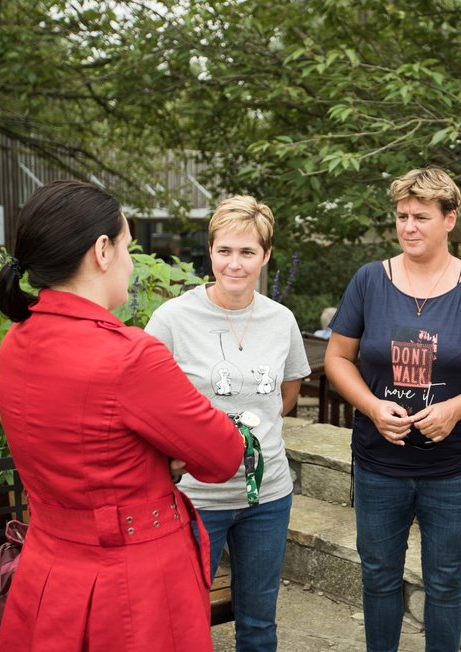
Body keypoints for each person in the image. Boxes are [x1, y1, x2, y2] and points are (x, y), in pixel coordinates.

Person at [0, 180, 245, 651]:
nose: (130, 262)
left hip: (48, 564)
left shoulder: (17, 342)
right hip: (133, 577)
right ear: (102, 250)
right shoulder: (130, 356)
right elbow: (224, 455)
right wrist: (168, 454)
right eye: (128, 245)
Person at [324, 167, 461, 652]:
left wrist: (455, 408)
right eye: (402, 216)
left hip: (451, 467)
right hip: (378, 462)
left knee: (446, 582)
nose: (409, 227)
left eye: (422, 217)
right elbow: (337, 357)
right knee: (378, 577)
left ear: (450, 219)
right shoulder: (370, 280)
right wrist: (371, 406)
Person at [145, 194, 310, 652]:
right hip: (195, 500)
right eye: (225, 251)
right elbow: (143, 396)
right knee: (184, 620)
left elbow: (288, 390)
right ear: (211, 250)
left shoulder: (282, 320)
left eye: (247, 252)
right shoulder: (172, 319)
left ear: (266, 256)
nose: (234, 264)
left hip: (268, 497)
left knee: (258, 621)